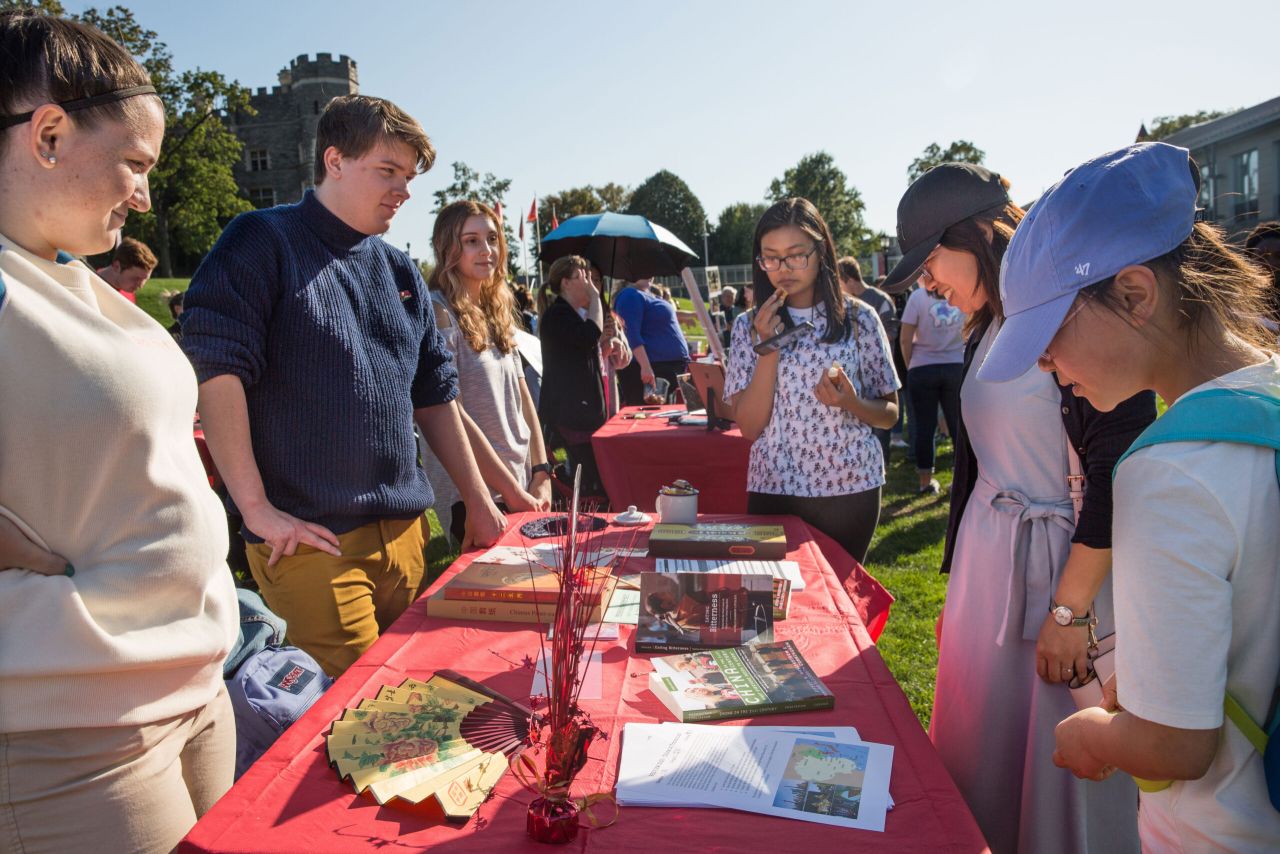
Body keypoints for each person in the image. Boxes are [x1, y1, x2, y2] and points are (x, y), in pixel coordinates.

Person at [981, 143, 1280, 851]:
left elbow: (1177, 745)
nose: (1047, 366)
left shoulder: (1166, 471)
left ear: (1136, 294)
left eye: (1049, 335)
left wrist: (1097, 734)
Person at [0, 12, 238, 852]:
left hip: (193, 691)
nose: (144, 194)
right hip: (70, 737)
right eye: (135, 163)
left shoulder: (68, 277)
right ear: (51, 135)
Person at [182, 94, 505, 679]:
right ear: (334, 160)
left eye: (407, 177)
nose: (403, 191)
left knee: (426, 693)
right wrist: (255, 509)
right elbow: (215, 369)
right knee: (355, 720)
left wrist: (481, 504)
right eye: (388, 171)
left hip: (409, 535)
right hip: (312, 544)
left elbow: (435, 392)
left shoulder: (400, 269)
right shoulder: (260, 240)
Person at [880, 162, 1154, 853]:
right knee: (984, 752)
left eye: (930, 262)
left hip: (1064, 576)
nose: (926, 284)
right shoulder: (989, 324)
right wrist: (966, 587)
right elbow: (981, 465)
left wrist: (1071, 611)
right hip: (991, 570)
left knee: (1057, 765)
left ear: (975, 235)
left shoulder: (1069, 308)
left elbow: (1119, 461)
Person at [724, 198, 899, 565]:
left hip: (849, 488)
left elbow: (890, 414)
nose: (782, 268)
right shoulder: (746, 326)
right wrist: (767, 348)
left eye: (795, 255)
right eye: (770, 257)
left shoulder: (859, 318)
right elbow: (750, 428)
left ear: (821, 252)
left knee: (841, 606)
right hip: (773, 487)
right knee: (771, 609)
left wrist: (850, 402)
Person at [422, 200, 551, 546]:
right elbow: (453, 414)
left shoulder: (497, 308)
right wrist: (510, 491)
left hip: (522, 481)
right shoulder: (438, 311)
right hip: (478, 493)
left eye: (492, 238)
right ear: (448, 247)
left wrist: (542, 472)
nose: (487, 250)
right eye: (471, 241)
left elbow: (524, 398)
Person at [538, 255, 608, 496]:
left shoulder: (570, 314)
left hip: (582, 412)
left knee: (593, 478)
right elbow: (589, 336)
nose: (590, 282)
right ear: (566, 282)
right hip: (572, 415)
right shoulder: (558, 315)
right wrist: (597, 298)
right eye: (583, 276)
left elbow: (582, 352)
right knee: (588, 483)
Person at [899, 286, 965, 493]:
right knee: (958, 426)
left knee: (924, 428)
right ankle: (960, 478)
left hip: (922, 366)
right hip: (955, 364)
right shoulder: (958, 292)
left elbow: (904, 338)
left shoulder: (918, 297)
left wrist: (911, 365)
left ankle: (925, 481)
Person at [838, 257, 898, 463]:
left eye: (838, 280)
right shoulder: (844, 307)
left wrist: (868, 341)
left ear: (847, 279)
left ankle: (882, 463)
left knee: (881, 429)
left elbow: (892, 331)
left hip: (879, 374)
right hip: (854, 380)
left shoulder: (879, 300)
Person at [614, 276, 691, 404]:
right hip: (650, 371)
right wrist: (645, 367)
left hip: (662, 370)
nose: (648, 274)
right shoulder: (630, 295)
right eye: (643, 270)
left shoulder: (648, 294)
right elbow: (631, 333)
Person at [95, 235, 156, 303]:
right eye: (136, 278)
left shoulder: (127, 292)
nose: (140, 285)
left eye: (145, 279)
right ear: (117, 266)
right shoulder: (89, 286)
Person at [1245, 220, 1280, 326]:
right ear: (1248, 261)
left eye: (1279, 256)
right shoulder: (1236, 305)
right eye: (1262, 256)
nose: (1271, 263)